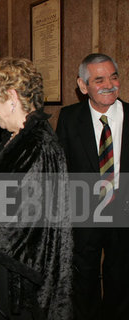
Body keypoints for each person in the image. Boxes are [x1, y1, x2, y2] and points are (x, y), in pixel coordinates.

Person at [0, 57, 73, 319]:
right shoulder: (13, 139)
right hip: (0, 262)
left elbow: (24, 222)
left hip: (19, 274)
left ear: (11, 96)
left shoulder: (40, 145)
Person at [56, 53, 129, 319]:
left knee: (121, 274)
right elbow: (60, 169)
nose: (109, 84)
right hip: (84, 209)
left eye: (114, 76)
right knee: (83, 274)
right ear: (83, 85)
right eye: (99, 79)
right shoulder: (68, 118)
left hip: (123, 206)